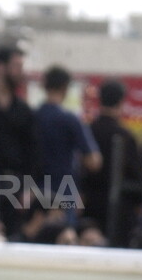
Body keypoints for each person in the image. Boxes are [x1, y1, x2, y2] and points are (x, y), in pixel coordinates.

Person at [81, 79, 142, 245]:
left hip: (89, 207)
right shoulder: (126, 137)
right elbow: (136, 176)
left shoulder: (88, 131)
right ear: (120, 102)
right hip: (121, 213)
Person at [35, 66, 102, 222]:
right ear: (65, 87)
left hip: (35, 190)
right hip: (63, 192)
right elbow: (94, 161)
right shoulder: (70, 119)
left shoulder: (34, 116)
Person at [0, 46, 40, 235]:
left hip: (14, 188)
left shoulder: (24, 110)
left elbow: (34, 153)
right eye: (16, 66)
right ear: (0, 68)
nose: (21, 72)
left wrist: (29, 189)